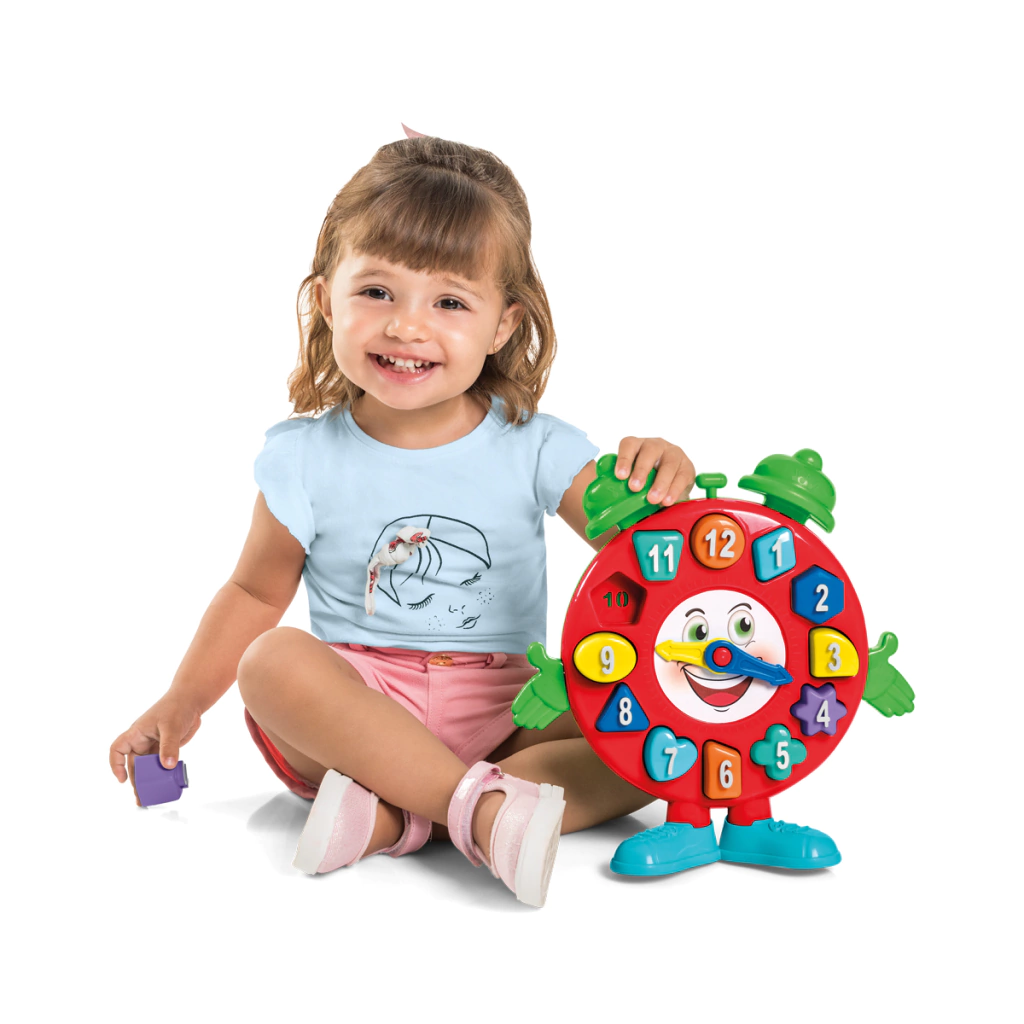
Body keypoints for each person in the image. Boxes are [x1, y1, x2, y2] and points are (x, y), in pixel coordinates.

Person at [108, 126, 696, 908]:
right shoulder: (303, 458)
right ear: (326, 300)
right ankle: (482, 814)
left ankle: (401, 816)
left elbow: (651, 556)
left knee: (655, 743)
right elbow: (253, 594)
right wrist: (180, 703)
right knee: (272, 663)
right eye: (377, 292)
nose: (407, 326)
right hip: (357, 714)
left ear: (503, 324)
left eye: (449, 301)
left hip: (513, 712)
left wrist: (665, 479)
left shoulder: (539, 446)